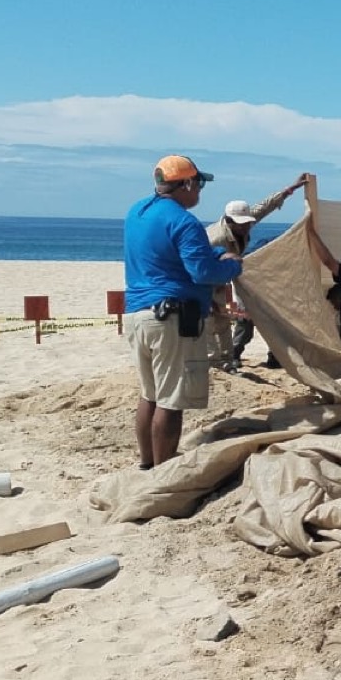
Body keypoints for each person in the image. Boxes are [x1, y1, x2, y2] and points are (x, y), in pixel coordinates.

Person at [123, 155, 245, 469]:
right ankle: (165, 471)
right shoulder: (183, 221)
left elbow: (172, 254)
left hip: (138, 314)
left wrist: (215, 252)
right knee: (171, 400)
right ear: (187, 183)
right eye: (199, 183)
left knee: (149, 394)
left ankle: (148, 463)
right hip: (172, 320)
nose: (201, 191)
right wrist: (232, 266)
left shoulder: (137, 212)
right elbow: (202, 273)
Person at [205, 176, 308, 371]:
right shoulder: (215, 239)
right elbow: (197, 267)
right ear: (228, 221)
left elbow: (263, 208)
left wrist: (287, 191)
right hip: (205, 281)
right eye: (241, 224)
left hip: (222, 278)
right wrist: (206, 298)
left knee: (223, 323)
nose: (246, 227)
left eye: (247, 223)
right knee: (209, 323)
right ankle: (214, 366)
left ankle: (228, 362)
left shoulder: (241, 223)